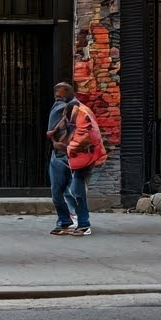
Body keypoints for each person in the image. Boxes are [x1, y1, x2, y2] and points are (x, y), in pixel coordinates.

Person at [60, 94, 107, 236]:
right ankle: (80, 220)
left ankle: (83, 224)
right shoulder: (80, 110)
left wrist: (69, 148)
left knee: (76, 190)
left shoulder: (80, 113)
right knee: (75, 190)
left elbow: (84, 135)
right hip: (84, 157)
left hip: (84, 158)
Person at [46, 82, 76, 235]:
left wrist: (53, 137)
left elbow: (51, 131)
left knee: (61, 190)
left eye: (60, 96)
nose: (57, 99)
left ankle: (68, 220)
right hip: (66, 152)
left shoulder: (70, 108)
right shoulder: (75, 106)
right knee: (67, 189)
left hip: (65, 153)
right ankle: (71, 219)